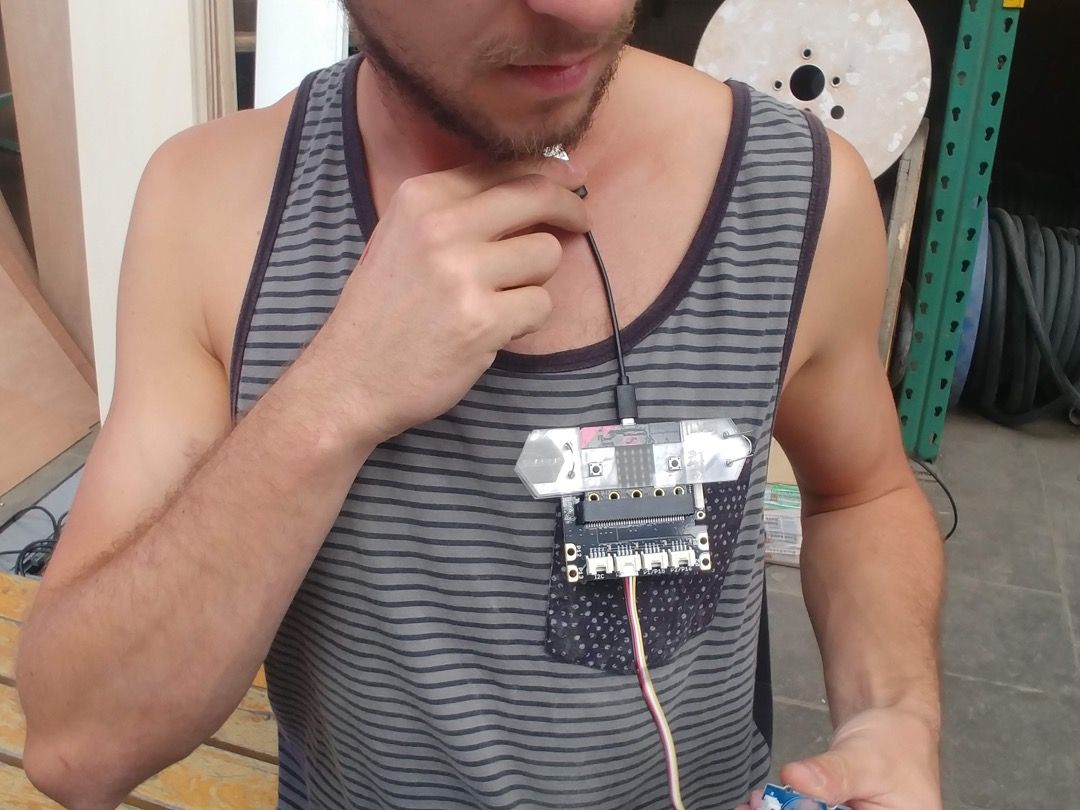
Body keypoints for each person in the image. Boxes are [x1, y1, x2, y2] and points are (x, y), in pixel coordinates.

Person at [16, 2, 944, 808]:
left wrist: (896, 714)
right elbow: (77, 746)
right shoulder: (214, 207)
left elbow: (861, 494)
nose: (587, 10)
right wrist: (334, 395)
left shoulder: (794, 194)